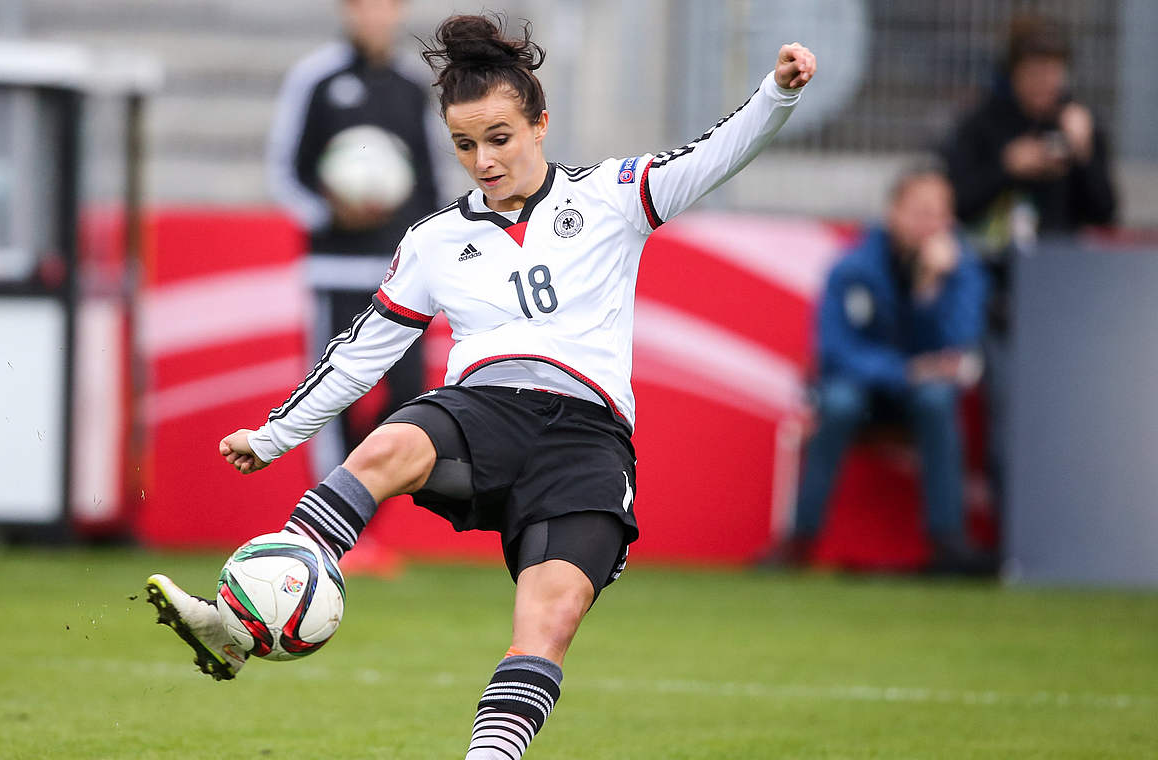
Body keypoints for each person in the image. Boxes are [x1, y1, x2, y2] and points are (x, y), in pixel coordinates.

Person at [149, 13, 814, 759]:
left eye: (499, 138)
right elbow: (362, 351)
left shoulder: (613, 195)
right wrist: (275, 436)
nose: (483, 160)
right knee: (389, 442)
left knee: (547, 622)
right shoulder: (433, 242)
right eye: (465, 144)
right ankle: (234, 621)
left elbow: (714, 154)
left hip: (586, 440)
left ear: (539, 124)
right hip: (484, 412)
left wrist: (775, 94)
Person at [766, 164, 989, 574]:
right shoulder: (852, 266)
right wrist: (904, 372)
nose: (931, 224)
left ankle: (948, 541)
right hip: (862, 390)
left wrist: (932, 287)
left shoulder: (960, 268)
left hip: (921, 396)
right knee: (838, 404)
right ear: (894, 212)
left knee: (938, 401)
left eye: (940, 214)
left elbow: (961, 341)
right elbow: (835, 350)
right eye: (921, 211)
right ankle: (799, 541)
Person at [939, 13, 1117, 522]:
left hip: (1066, 297)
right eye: (1034, 72)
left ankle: (1072, 529)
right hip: (1001, 297)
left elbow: (1105, 211)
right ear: (1014, 72)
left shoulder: (1078, 122)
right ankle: (1017, 537)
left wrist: (1082, 153)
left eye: (1053, 73)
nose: (1045, 84)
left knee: (1074, 416)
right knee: (1011, 416)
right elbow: (957, 203)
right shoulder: (982, 124)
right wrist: (1007, 168)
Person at [265, 0, 446, 477]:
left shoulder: (411, 86)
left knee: (410, 395)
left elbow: (433, 182)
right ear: (347, 11)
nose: (374, 16)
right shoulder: (316, 79)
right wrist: (330, 210)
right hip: (335, 270)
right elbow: (284, 172)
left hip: (400, 279)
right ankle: (330, 519)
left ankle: (355, 499)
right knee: (332, 394)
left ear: (398, 11)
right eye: (363, 6)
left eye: (385, 6)